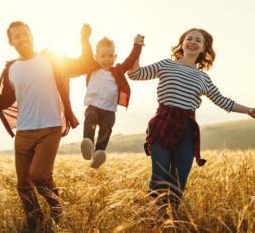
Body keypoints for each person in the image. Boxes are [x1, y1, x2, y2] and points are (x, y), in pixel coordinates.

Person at [0, 21, 93, 230]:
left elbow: (84, 65)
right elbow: (4, 100)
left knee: (40, 177)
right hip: (24, 132)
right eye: (17, 36)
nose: (22, 38)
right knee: (23, 185)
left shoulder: (51, 59)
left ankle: (56, 210)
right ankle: (34, 223)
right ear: (10, 41)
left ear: (32, 35)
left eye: (25, 34)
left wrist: (84, 39)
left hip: (49, 128)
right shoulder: (12, 69)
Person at [128, 28, 255, 208]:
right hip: (162, 123)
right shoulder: (166, 64)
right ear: (182, 43)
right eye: (189, 38)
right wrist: (137, 48)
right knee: (160, 176)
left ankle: (170, 218)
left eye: (198, 40)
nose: (193, 42)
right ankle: (155, 217)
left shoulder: (203, 78)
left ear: (204, 48)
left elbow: (222, 101)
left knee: (179, 178)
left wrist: (249, 110)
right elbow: (135, 74)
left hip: (187, 130)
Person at [80, 26, 144, 169]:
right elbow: (86, 52)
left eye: (110, 56)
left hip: (109, 110)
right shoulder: (93, 67)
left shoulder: (118, 71)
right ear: (96, 57)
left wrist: (137, 45)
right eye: (103, 56)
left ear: (115, 57)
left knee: (106, 127)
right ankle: (88, 145)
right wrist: (84, 37)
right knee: (90, 118)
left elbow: (131, 59)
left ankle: (99, 153)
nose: (107, 59)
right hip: (94, 106)